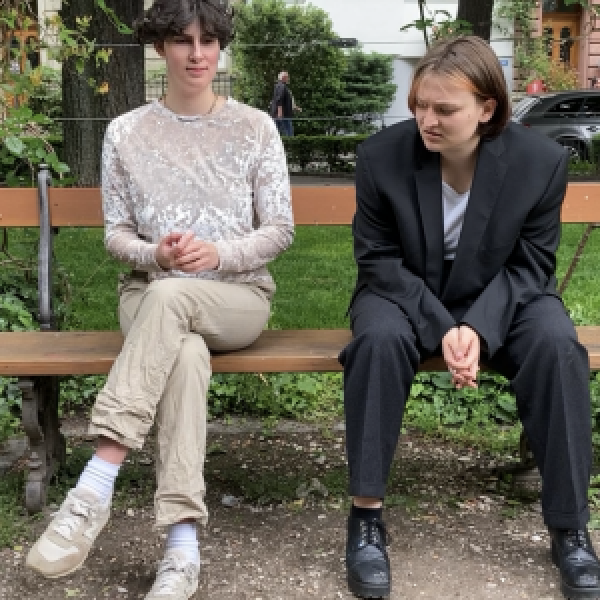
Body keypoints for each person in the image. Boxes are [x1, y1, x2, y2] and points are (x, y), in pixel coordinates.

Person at [25, 1, 293, 599]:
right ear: (160, 47)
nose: (197, 54)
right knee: (185, 353)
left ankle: (95, 486)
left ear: (220, 46)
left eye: (208, 40)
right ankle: (181, 545)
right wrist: (158, 256)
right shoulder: (126, 132)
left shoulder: (255, 127)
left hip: (237, 297)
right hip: (148, 294)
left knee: (175, 302)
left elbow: (279, 230)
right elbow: (116, 234)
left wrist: (219, 254)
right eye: (182, 41)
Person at [339, 35, 600, 600]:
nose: (426, 120)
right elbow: (378, 260)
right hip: (403, 290)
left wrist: (478, 326)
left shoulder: (539, 163)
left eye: (444, 109)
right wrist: (444, 328)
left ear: (486, 108)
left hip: (504, 291)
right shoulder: (381, 157)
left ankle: (571, 527)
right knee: (378, 340)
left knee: (557, 344)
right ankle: (365, 520)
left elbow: (532, 265)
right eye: (418, 105)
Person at [270, 71, 300, 136]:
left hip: (282, 115)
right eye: (287, 77)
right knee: (289, 134)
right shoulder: (281, 86)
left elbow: (285, 100)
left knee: (277, 134)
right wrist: (280, 114)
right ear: (284, 77)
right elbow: (279, 99)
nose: (288, 79)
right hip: (283, 115)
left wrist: (295, 107)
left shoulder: (281, 86)